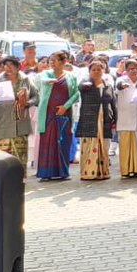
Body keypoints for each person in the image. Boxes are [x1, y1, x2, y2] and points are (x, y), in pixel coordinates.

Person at [35, 52, 79, 181]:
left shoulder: (71, 77)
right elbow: (39, 81)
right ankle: (45, 173)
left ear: (63, 62)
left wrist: (66, 106)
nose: (52, 63)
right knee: (48, 142)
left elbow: (76, 94)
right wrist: (47, 82)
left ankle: (63, 172)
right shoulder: (45, 74)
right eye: (50, 60)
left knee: (63, 141)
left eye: (55, 60)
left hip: (64, 113)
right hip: (49, 113)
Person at [76, 61, 115, 181]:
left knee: (104, 146)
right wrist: (85, 85)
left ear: (103, 71)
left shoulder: (108, 86)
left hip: (105, 121)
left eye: (99, 69)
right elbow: (80, 88)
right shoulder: (85, 83)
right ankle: (88, 173)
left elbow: (113, 103)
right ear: (89, 72)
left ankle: (103, 172)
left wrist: (115, 118)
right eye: (94, 70)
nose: (97, 72)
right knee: (88, 145)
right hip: (90, 120)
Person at [115, 60, 137, 179]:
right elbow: (117, 88)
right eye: (130, 68)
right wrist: (122, 86)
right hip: (125, 117)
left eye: (136, 68)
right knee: (125, 146)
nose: (133, 70)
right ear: (126, 70)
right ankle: (126, 170)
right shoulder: (121, 80)